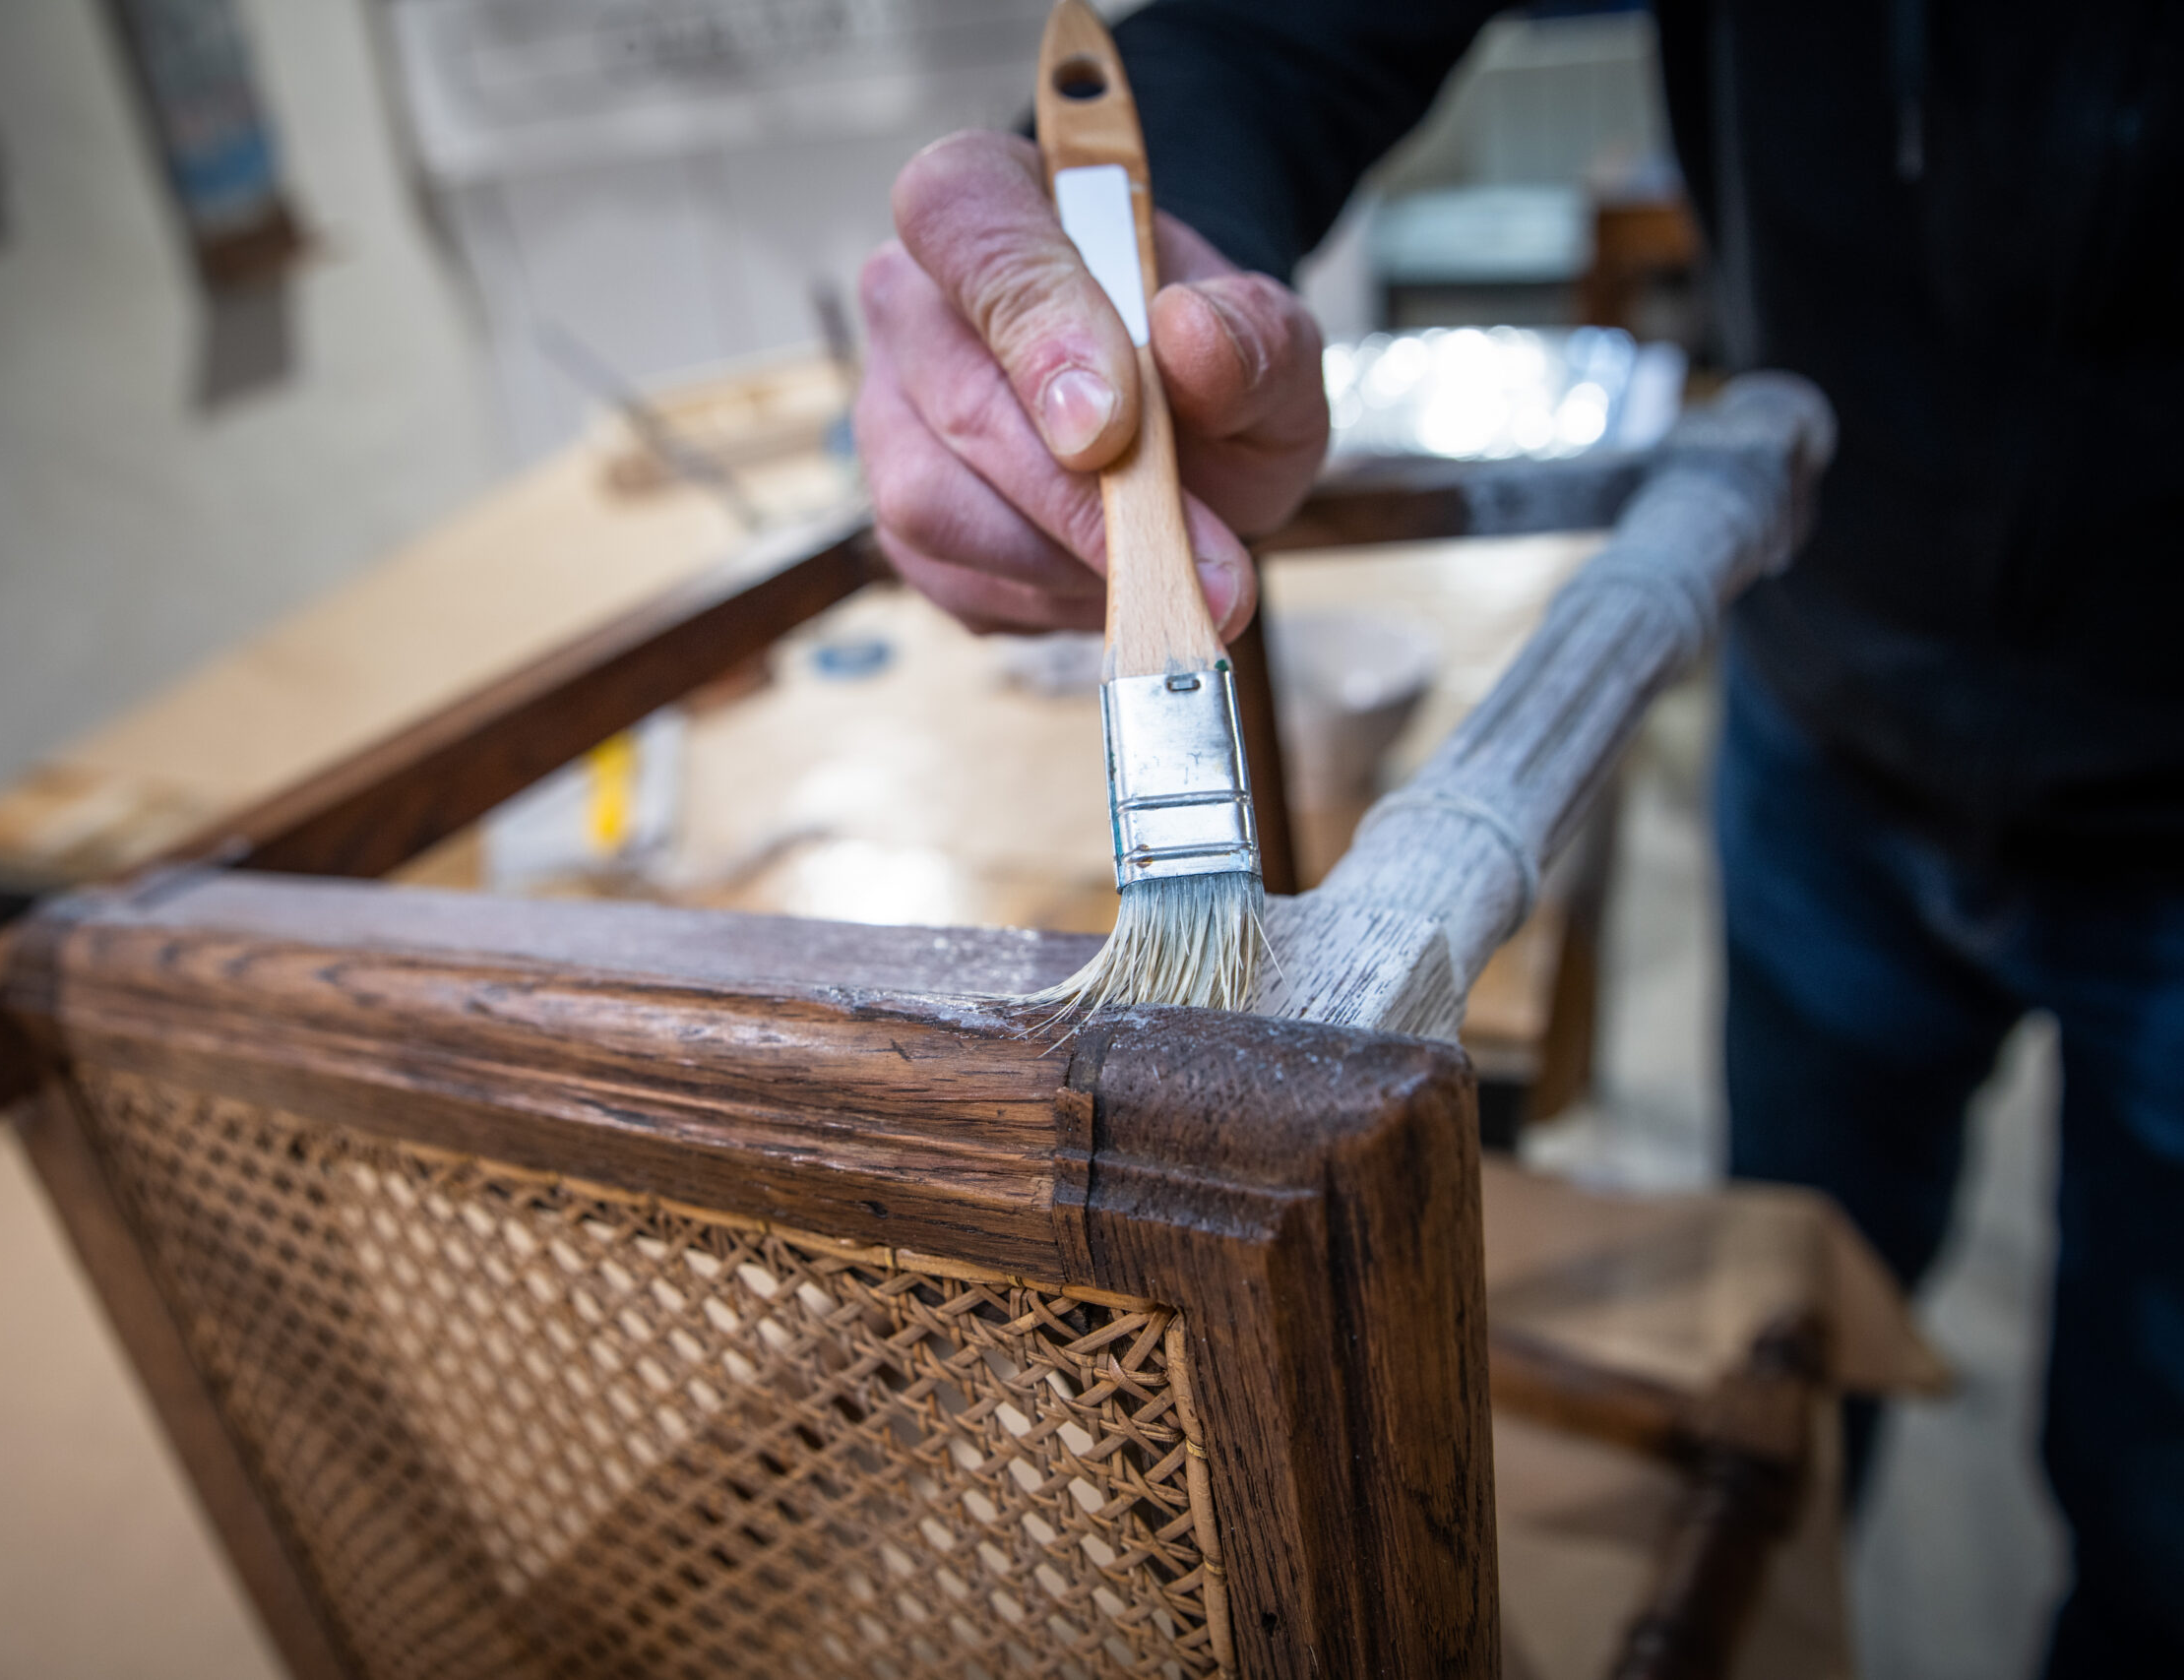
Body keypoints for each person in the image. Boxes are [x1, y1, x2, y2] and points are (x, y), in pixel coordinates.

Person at [851, 2, 2184, 1672]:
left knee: (2162, 1493)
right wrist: (1123, 233)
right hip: (1832, 727)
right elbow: (1287, 34)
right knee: (1783, 1297)